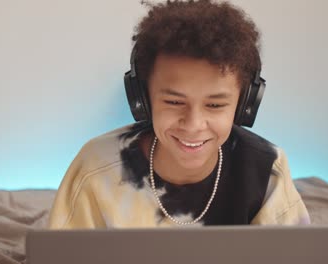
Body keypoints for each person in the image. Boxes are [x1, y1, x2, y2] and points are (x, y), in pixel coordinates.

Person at [48, 0, 310, 228]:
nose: (194, 125)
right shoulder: (95, 169)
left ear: (244, 106)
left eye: (215, 105)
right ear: (143, 100)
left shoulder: (266, 170)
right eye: (174, 101)